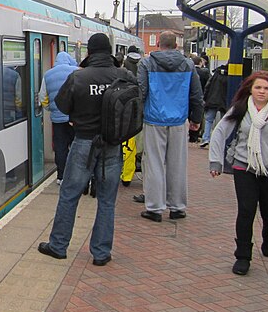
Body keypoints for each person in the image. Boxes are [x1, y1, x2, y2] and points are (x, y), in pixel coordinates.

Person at [37, 33, 136, 266]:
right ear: (110, 51)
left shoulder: (78, 77)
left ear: (89, 53)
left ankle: (59, 246)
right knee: (107, 199)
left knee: (69, 194)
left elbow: (61, 104)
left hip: (84, 142)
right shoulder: (124, 76)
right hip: (112, 143)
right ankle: (101, 253)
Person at [208, 71, 268, 276]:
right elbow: (220, 132)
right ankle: (242, 255)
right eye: (258, 87)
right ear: (250, 88)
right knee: (246, 210)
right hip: (245, 166)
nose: (261, 92)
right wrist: (215, 161)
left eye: (266, 88)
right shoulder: (242, 109)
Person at [138, 31, 203, 222]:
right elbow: (196, 95)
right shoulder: (188, 64)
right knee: (177, 164)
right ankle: (177, 207)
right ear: (176, 45)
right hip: (178, 121)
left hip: (154, 119)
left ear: (158, 43)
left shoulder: (146, 63)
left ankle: (155, 208)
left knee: (154, 164)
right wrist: (196, 119)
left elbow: (141, 91)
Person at [39, 51, 78, 184]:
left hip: (57, 119)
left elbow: (42, 97)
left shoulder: (48, 74)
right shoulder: (76, 71)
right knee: (76, 147)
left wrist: (51, 109)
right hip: (75, 118)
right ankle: (76, 176)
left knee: (60, 148)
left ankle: (61, 177)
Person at [199, 64, 228, 148]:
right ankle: (222, 139)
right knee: (225, 121)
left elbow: (208, 86)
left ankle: (206, 138)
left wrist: (205, 98)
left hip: (213, 99)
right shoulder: (231, 76)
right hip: (224, 101)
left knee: (209, 120)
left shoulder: (216, 73)